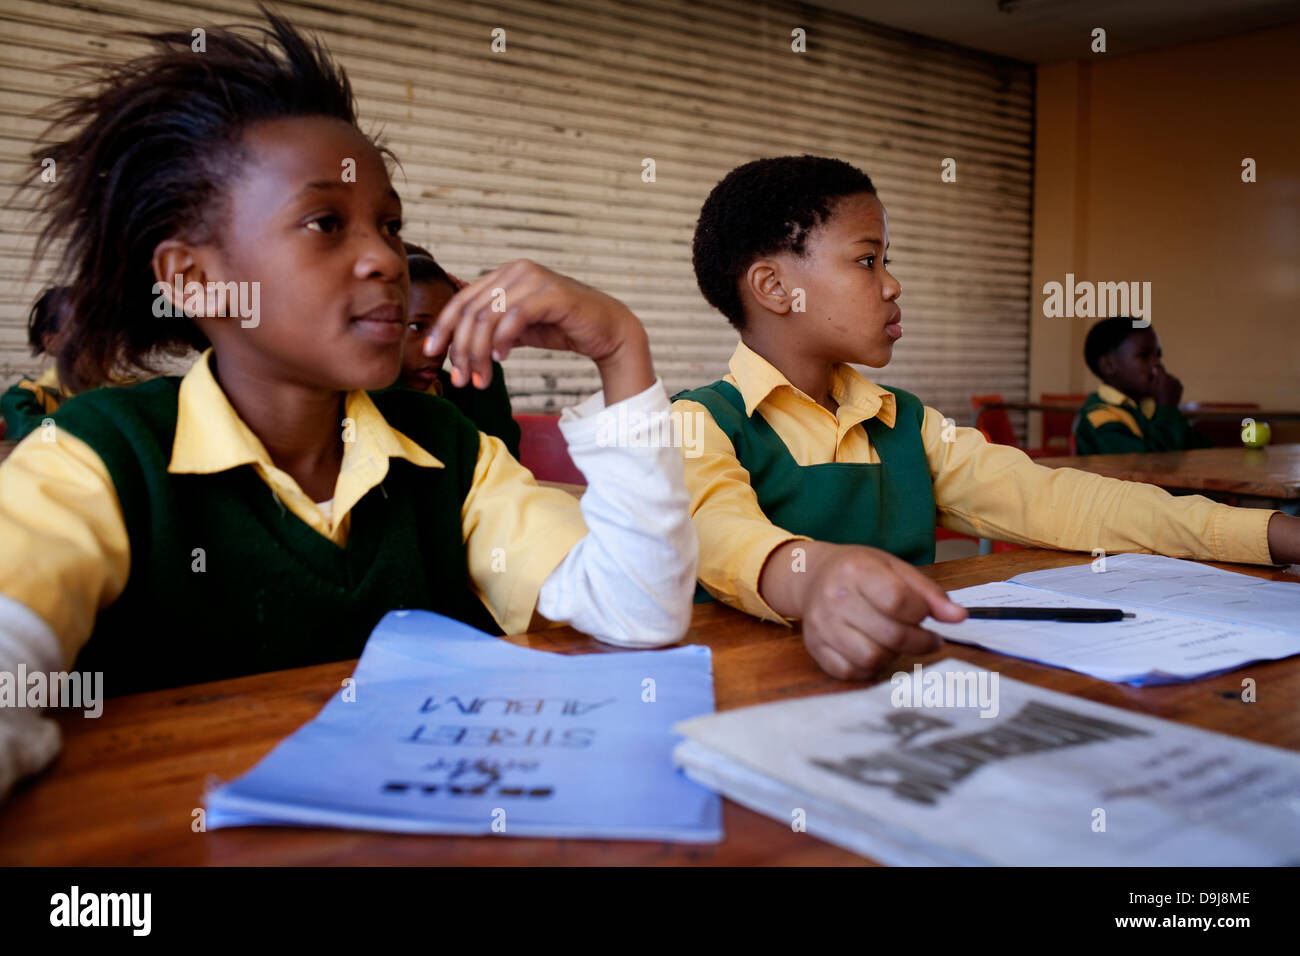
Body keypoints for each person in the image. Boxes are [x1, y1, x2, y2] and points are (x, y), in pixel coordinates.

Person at [0, 12, 695, 800]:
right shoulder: (96, 456)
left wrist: (620, 347)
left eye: (390, 224)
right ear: (192, 280)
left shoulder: (446, 450)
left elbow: (641, 614)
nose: (384, 259)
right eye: (325, 222)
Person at [672, 154, 1300, 680]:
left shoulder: (906, 424)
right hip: (757, 693)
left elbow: (1059, 500)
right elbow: (718, 533)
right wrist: (813, 579)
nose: (893, 285)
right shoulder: (699, 423)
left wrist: (1270, 535)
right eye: (868, 260)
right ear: (776, 288)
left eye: (889, 260)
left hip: (907, 686)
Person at [397, 244, 520, 457]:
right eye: (417, 326)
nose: (436, 348)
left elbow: (506, 460)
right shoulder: (352, 399)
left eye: (448, 327)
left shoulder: (457, 390)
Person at [1075, 317, 1213, 454]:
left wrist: (1167, 410)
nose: (1156, 364)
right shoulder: (1099, 417)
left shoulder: (1148, 406)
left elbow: (1202, 450)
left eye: (1158, 356)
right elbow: (1152, 465)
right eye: (1144, 356)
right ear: (1108, 366)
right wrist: (1168, 408)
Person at [1, 287, 71, 440]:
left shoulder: (116, 391)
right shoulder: (24, 396)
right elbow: (29, 432)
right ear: (51, 341)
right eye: (81, 333)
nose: (100, 343)